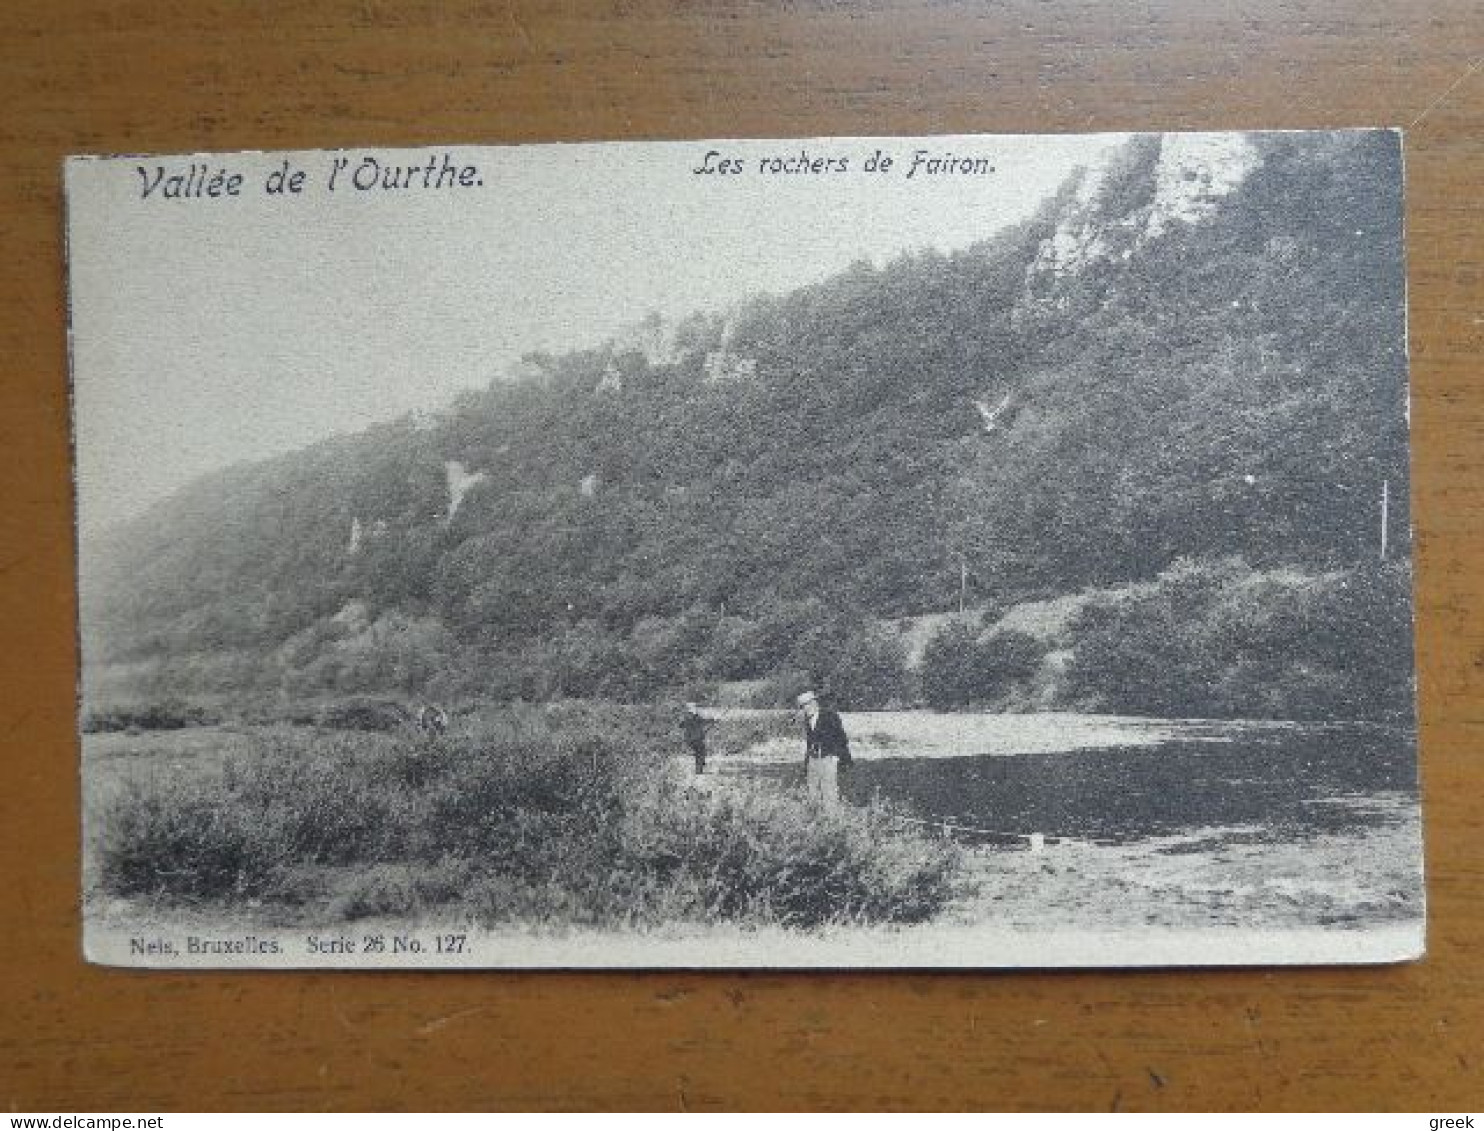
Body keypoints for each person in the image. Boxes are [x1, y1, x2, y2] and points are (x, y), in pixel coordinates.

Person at [797, 690, 851, 809]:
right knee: (812, 790)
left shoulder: (830, 716)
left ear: (815, 703)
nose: (805, 708)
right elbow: (810, 742)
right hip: (813, 758)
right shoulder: (807, 719)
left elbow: (841, 738)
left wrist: (836, 757)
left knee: (829, 791)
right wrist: (807, 762)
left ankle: (832, 820)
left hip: (828, 758)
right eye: (803, 706)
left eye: (807, 704)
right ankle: (815, 818)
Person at [680, 702, 716, 774]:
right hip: (697, 739)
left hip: (689, 740)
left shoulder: (686, 718)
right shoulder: (697, 717)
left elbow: (681, 725)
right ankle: (699, 768)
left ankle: (700, 766)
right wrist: (712, 720)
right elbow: (705, 721)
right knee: (701, 752)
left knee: (699, 752)